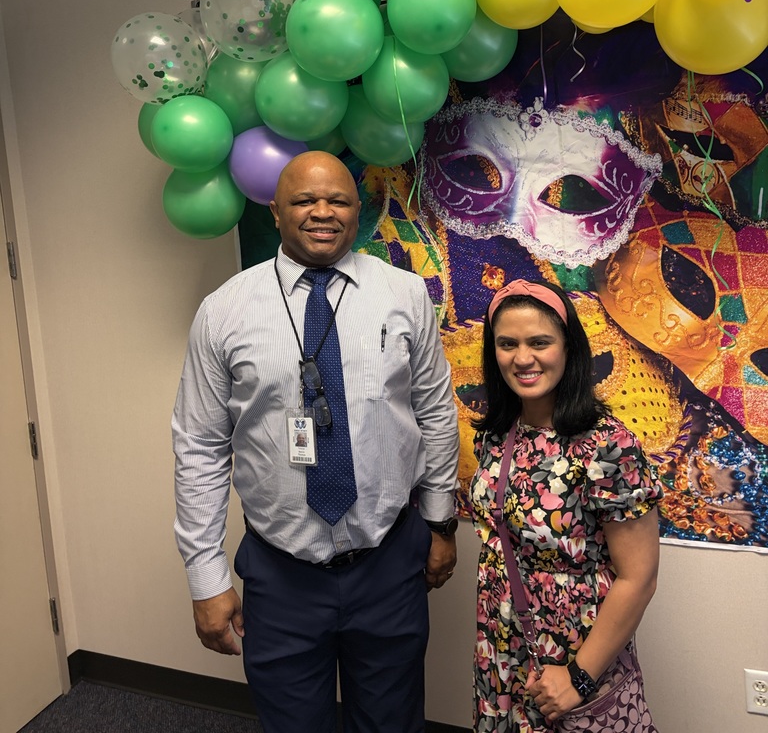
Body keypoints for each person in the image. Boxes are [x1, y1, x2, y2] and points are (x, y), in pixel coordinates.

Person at [172, 150, 460, 733]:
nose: (322, 212)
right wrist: (206, 576)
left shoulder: (404, 295)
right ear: (275, 211)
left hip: (389, 565)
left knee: (392, 723)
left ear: (358, 210)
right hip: (281, 575)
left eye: (338, 201)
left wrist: (440, 524)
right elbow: (199, 445)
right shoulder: (224, 311)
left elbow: (434, 413)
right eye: (304, 200)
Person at [470, 279, 662, 732]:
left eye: (540, 342)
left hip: (575, 655)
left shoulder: (607, 445)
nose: (523, 358)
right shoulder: (497, 434)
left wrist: (579, 676)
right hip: (501, 647)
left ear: (568, 348)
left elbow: (639, 577)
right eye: (507, 344)